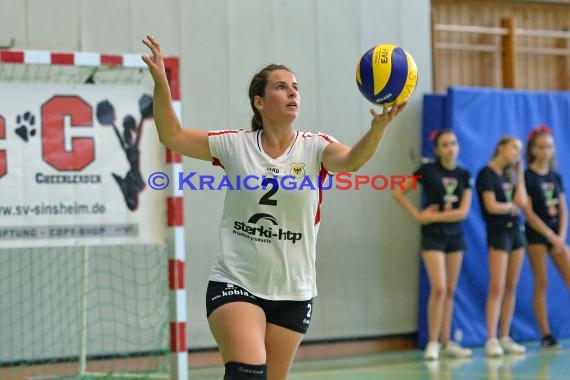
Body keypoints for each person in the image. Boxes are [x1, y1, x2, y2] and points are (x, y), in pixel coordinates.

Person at [141, 35, 406, 380]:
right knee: (247, 371)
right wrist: (162, 82)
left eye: (295, 87)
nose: (293, 92)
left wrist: (378, 129)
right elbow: (172, 135)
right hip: (236, 281)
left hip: (294, 290)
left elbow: (353, 161)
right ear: (259, 102)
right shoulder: (235, 145)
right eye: (281, 87)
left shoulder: (315, 148)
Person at [393, 129, 473, 360]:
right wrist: (418, 216)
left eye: (454, 143)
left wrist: (432, 216)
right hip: (433, 237)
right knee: (438, 287)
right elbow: (398, 192)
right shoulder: (427, 171)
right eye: (445, 144)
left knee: (450, 290)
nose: (450, 147)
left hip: (455, 236)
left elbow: (463, 212)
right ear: (437, 150)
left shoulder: (465, 174)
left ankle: (448, 343)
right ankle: (433, 343)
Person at [475, 136, 528, 357]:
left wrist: (521, 174)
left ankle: (505, 336)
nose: (517, 152)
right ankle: (491, 338)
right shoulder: (486, 174)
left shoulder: (511, 175)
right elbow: (491, 206)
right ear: (501, 147)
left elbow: (522, 203)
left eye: (520, 149)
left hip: (516, 232)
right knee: (497, 286)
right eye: (514, 147)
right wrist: (510, 207)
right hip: (498, 233)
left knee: (511, 285)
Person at [522, 124, 570, 349]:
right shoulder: (528, 177)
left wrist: (560, 236)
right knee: (542, 282)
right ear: (533, 149)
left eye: (549, 147)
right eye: (541, 147)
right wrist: (550, 235)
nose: (545, 151)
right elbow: (528, 212)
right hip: (537, 236)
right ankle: (545, 333)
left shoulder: (555, 176)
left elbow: (563, 208)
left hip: (557, 236)